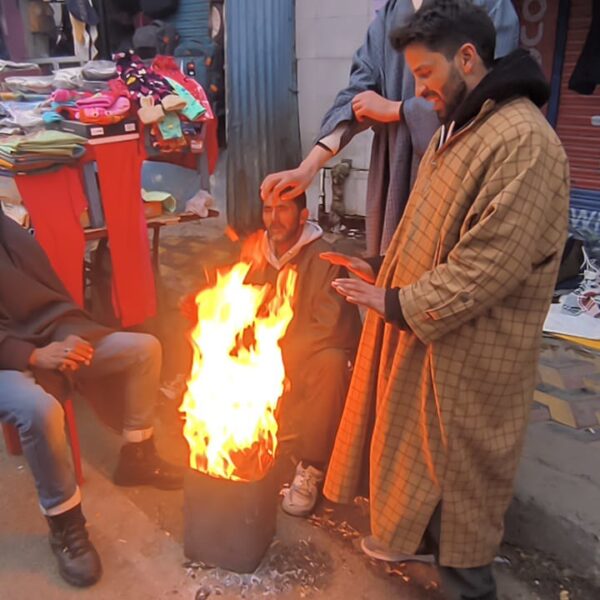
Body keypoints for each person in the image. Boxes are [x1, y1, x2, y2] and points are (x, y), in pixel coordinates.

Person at [321, 2, 569, 598]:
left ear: (466, 58)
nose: (418, 91)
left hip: (478, 356)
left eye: (426, 74)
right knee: (423, 466)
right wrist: (380, 268)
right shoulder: (459, 125)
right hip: (435, 338)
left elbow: (485, 267)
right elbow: (425, 228)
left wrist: (395, 303)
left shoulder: (525, 143)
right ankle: (424, 552)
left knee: (464, 492)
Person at [0, 208, 183, 588]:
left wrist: (61, 336)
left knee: (144, 349)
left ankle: (137, 456)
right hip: (7, 361)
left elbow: (41, 300)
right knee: (39, 409)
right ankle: (65, 524)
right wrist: (31, 356)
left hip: (45, 334)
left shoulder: (6, 227)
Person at [261, 0, 519, 256]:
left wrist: (398, 110)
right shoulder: (391, 14)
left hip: (458, 163)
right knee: (392, 267)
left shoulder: (489, 6)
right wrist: (308, 168)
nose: (420, 89)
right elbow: (359, 94)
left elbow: (490, 94)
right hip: (397, 163)